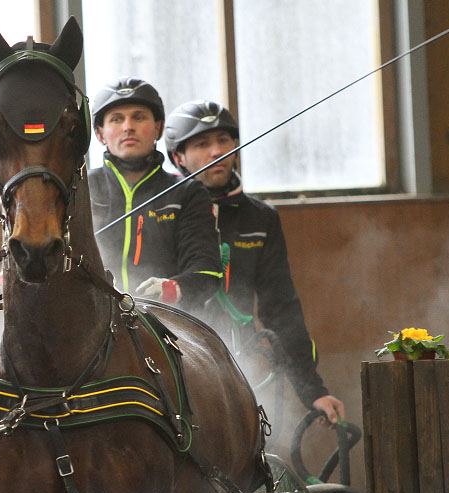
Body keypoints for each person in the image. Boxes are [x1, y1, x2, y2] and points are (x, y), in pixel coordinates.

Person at [164, 100, 345, 424]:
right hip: (173, 364)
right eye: (202, 144)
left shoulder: (261, 218)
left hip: (241, 367)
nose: (216, 151)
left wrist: (312, 389)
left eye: (224, 141)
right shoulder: (164, 213)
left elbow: (281, 307)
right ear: (178, 156)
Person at [88, 77, 222, 311]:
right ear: (100, 134)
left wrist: (174, 288)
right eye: (116, 119)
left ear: (158, 128)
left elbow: (207, 270)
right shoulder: (80, 189)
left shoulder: (188, 192)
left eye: (139, 117)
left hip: (168, 322)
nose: (128, 126)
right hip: (91, 318)